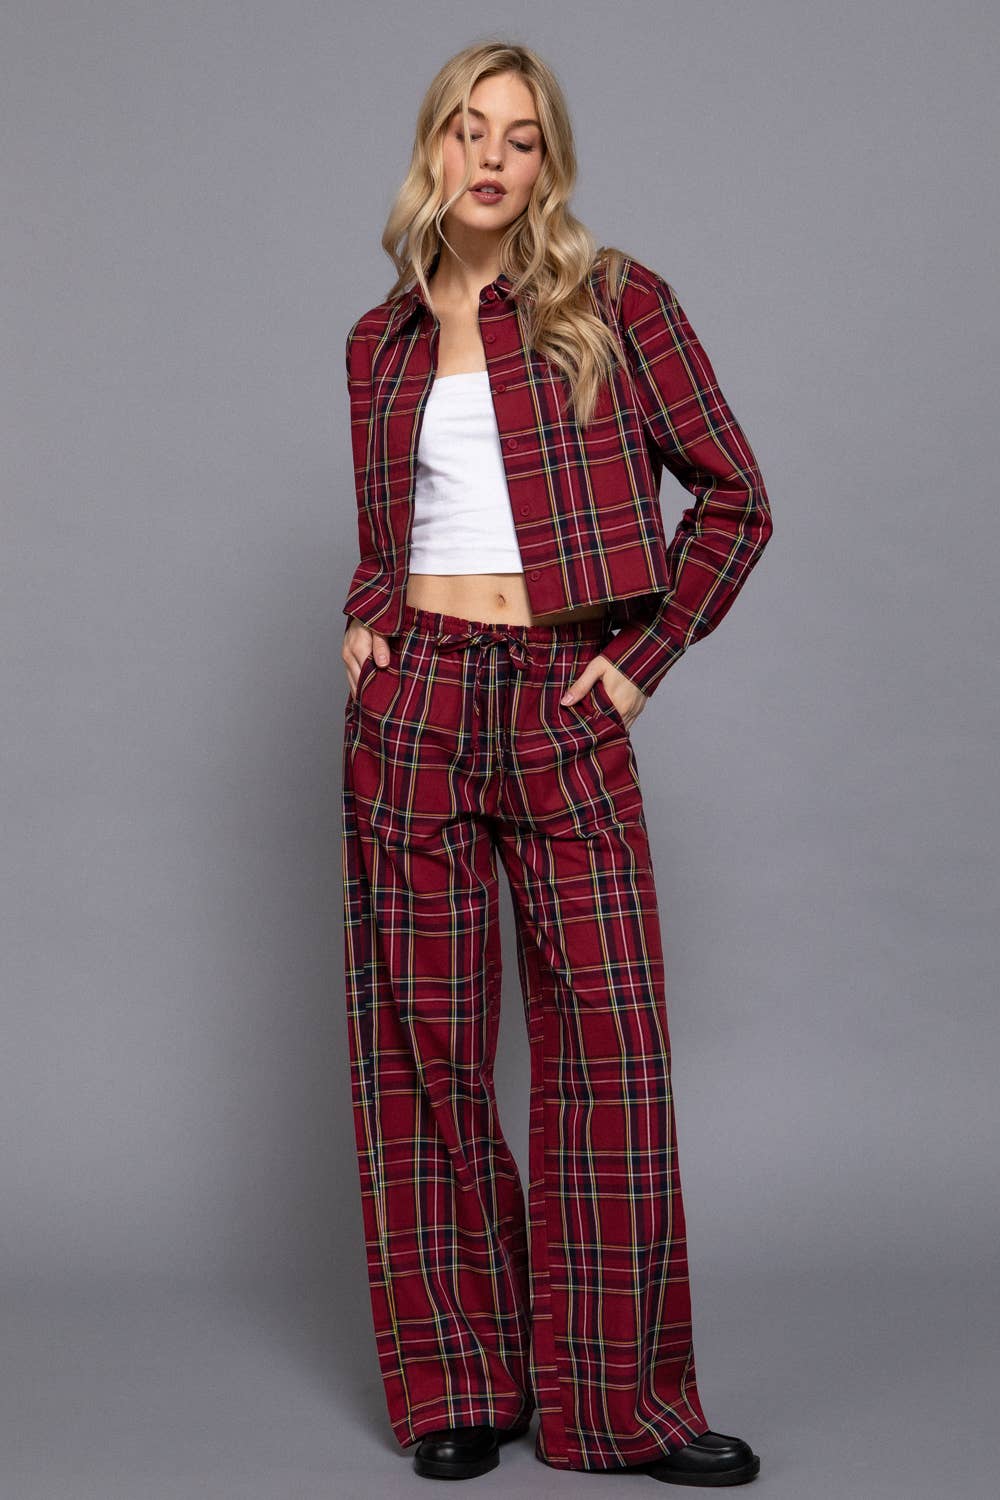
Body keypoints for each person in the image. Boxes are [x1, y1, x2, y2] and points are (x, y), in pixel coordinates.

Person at [339, 39, 772, 1486]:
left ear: (548, 163)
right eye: (467, 130)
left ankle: (619, 1406)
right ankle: (464, 1384)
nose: (489, 158)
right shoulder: (379, 342)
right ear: (433, 146)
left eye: (518, 138)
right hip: (414, 706)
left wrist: (642, 660)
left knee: (608, 1050)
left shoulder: (616, 304)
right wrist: (365, 615)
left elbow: (735, 498)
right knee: (425, 1051)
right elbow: (394, 531)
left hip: (562, 696)